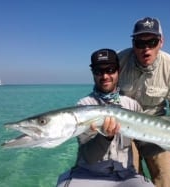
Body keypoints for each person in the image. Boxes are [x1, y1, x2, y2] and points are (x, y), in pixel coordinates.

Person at [118, 17, 170, 187]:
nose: (146, 48)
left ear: (161, 42)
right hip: (123, 130)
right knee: (130, 176)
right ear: (133, 43)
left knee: (165, 179)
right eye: (140, 43)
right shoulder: (119, 60)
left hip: (157, 129)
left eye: (152, 42)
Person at [56, 48, 154, 187]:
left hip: (126, 175)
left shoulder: (132, 105)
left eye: (110, 69)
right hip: (89, 175)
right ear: (93, 74)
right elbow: (89, 157)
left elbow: (147, 142)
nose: (105, 76)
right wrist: (105, 137)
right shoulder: (83, 107)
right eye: (99, 71)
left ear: (118, 71)